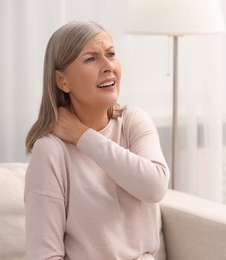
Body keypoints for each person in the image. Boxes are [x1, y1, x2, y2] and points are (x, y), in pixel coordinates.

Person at [24, 20, 170, 260]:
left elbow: (154, 187)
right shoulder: (51, 150)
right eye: (91, 58)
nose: (107, 66)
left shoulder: (133, 121)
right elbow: (44, 255)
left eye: (110, 54)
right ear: (62, 81)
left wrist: (82, 136)